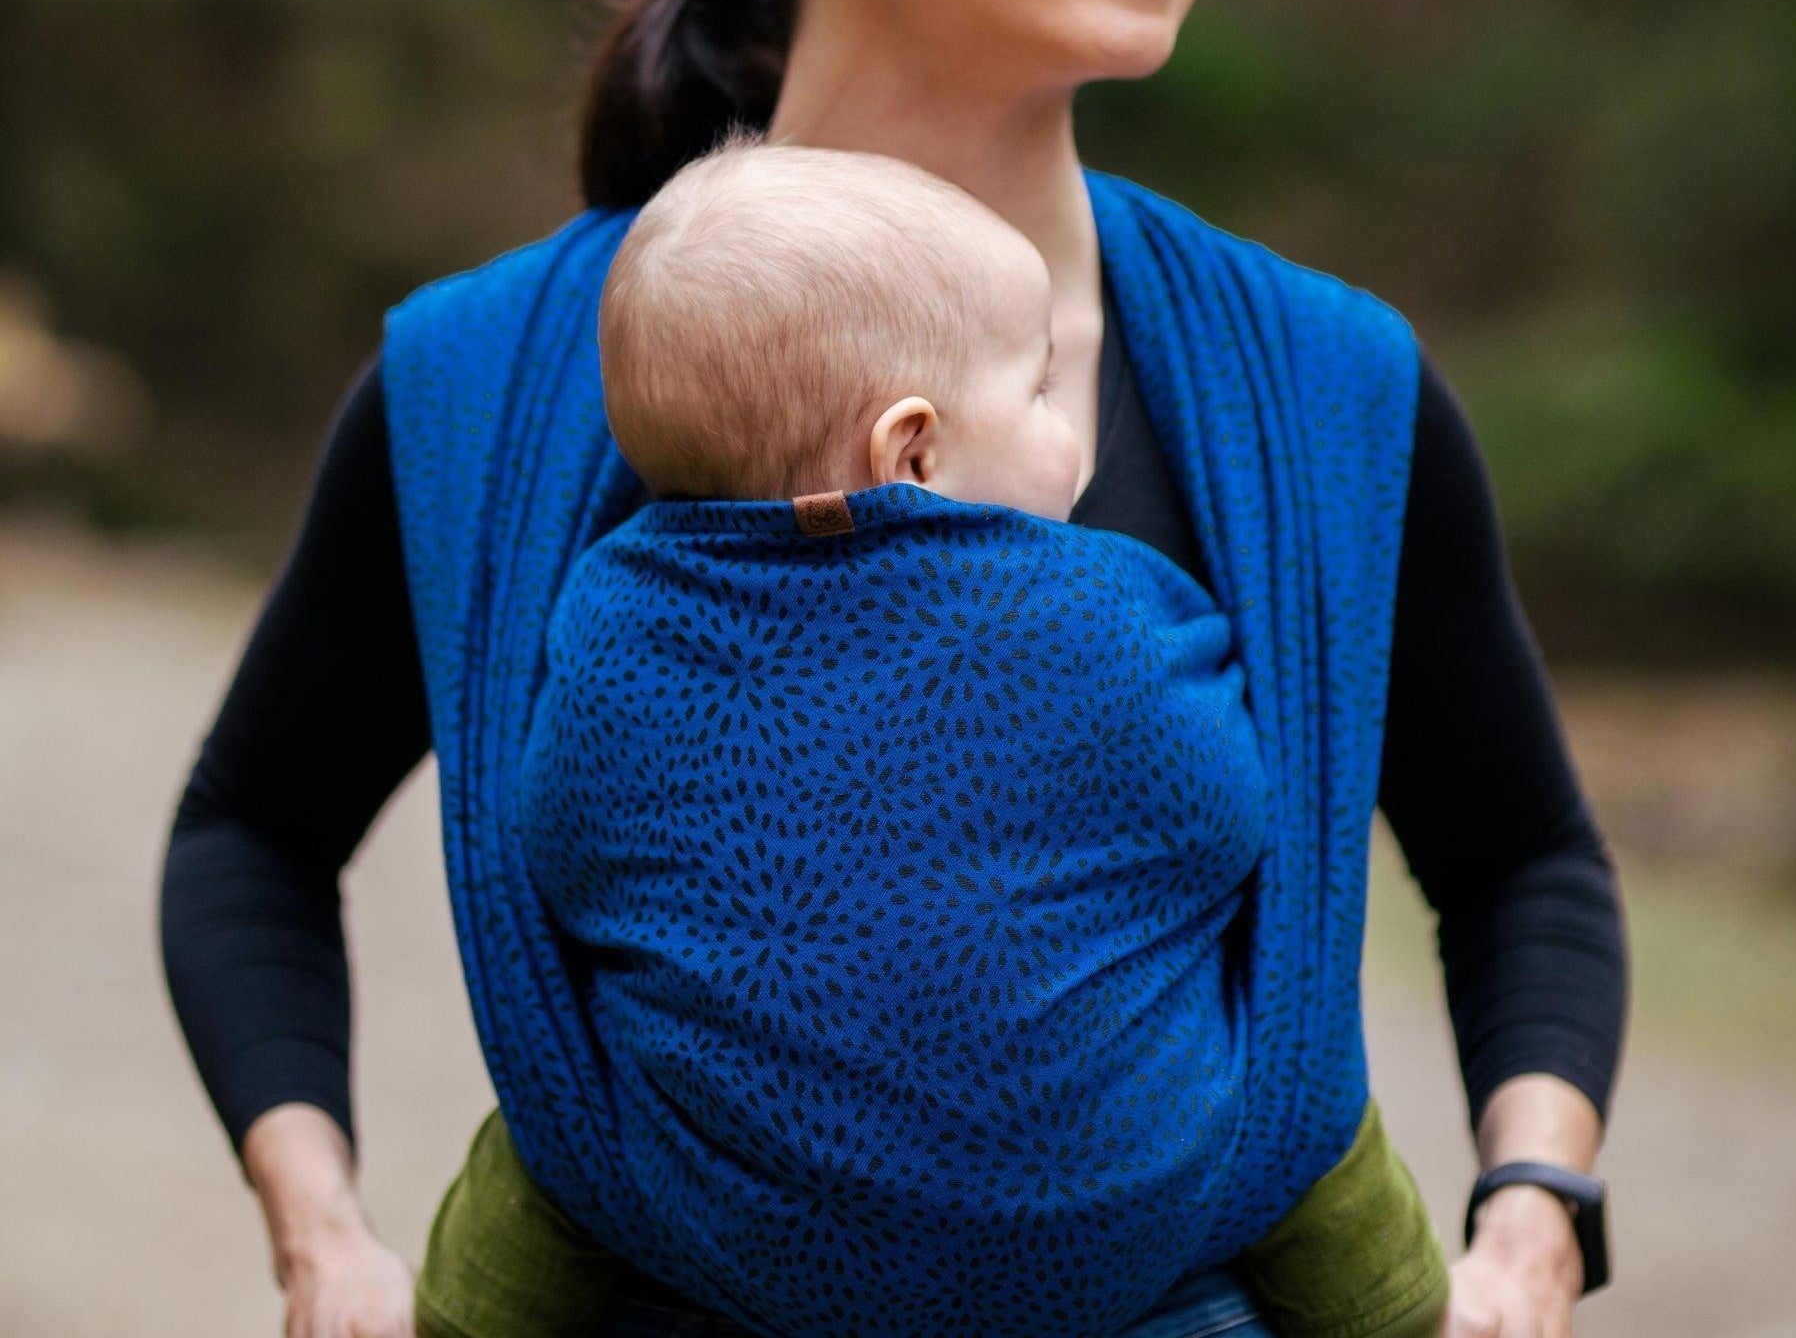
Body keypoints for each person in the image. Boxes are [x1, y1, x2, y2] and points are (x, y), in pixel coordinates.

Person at [158, 0, 1628, 1336]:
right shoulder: (492, 382)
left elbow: (1522, 860)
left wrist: (1531, 1216)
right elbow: (251, 830)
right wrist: (326, 1240)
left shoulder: (1330, 389)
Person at [405, 126, 1451, 1338]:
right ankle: (1410, 1315)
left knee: (554, 1132)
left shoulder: (606, 621)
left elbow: (556, 856)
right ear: (914, 448)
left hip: (740, 1242)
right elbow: (1232, 809)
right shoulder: (1103, 606)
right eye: (1043, 389)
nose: (1072, 428)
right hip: (1112, 1225)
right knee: (1305, 1099)